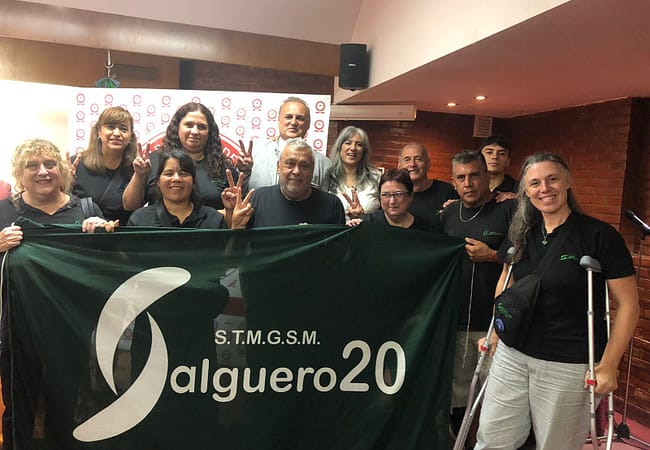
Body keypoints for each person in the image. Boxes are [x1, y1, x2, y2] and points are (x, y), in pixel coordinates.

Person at [475, 153, 639, 450]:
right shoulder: (521, 232)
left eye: (552, 179)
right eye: (535, 183)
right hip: (513, 355)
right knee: (492, 439)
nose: (544, 189)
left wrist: (608, 364)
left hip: (567, 362)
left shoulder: (599, 236)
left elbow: (629, 305)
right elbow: (506, 283)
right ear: (526, 190)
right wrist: (497, 331)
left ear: (567, 182)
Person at [0, 139, 116, 449]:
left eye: (50, 164)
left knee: (68, 405)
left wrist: (102, 235)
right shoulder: (4, 211)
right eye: (32, 166)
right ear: (19, 173)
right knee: (18, 406)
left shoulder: (85, 209)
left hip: (71, 324)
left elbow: (110, 265)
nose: (43, 172)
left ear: (61, 170)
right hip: (18, 326)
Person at [436, 150, 516, 441]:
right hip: (456, 323)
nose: (468, 183)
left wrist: (492, 255)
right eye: (461, 178)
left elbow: (523, 256)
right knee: (458, 397)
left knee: (497, 397)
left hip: (495, 326)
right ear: (454, 182)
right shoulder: (447, 214)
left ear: (487, 177)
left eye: (474, 176)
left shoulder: (509, 209)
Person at [124, 101, 252, 211]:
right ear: (177, 127)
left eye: (201, 127)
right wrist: (139, 175)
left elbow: (237, 211)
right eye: (189, 125)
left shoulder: (223, 167)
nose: (195, 131)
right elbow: (129, 206)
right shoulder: (154, 160)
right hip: (158, 231)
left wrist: (244, 171)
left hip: (209, 231)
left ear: (209, 132)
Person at [127, 148, 251, 229]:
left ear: (193, 181)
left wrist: (237, 227)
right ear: (158, 181)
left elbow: (228, 258)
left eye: (184, 173)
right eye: (169, 173)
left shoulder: (214, 219)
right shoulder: (139, 220)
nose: (176, 178)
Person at [244, 138, 344, 227]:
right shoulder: (257, 199)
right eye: (290, 164)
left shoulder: (332, 206)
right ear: (278, 167)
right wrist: (237, 225)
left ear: (312, 170)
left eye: (304, 166)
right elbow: (241, 239)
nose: (296, 171)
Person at [72, 106, 140, 224]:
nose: (117, 133)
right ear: (99, 132)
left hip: (121, 232)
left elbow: (134, 207)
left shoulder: (137, 169)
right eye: (110, 127)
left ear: (130, 136)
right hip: (83, 230)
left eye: (123, 129)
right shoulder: (76, 164)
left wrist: (140, 174)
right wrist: (65, 181)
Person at [248, 96, 330, 190]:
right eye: (288, 117)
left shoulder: (323, 164)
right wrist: (244, 171)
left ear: (308, 124)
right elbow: (240, 191)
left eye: (300, 118)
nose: (293, 122)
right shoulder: (255, 155)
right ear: (279, 120)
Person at [347, 168, 436, 231]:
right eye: (385, 195)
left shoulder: (426, 229)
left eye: (398, 194)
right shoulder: (368, 223)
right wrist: (352, 227)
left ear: (410, 196)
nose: (392, 201)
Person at [324, 126, 381, 220]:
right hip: (334, 229)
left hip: (367, 228)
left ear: (364, 151)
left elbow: (385, 214)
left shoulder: (377, 177)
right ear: (339, 147)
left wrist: (363, 217)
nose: (353, 148)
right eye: (348, 143)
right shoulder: (327, 175)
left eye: (359, 144)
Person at [397, 142, 457, 223]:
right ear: (399, 166)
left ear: (428, 164)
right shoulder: (394, 195)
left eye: (418, 159)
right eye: (407, 159)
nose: (412, 164)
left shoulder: (446, 190)